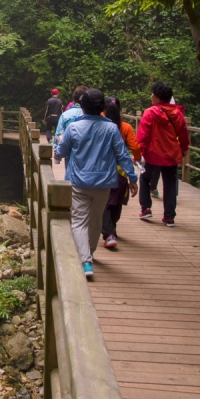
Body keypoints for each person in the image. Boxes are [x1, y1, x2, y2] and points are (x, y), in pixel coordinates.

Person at [57, 89, 138, 277]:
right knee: (96, 220)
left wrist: (59, 147)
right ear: (102, 108)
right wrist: (132, 178)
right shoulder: (111, 129)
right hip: (104, 183)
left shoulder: (74, 128)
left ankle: (85, 261)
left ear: (82, 108)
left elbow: (61, 151)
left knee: (78, 221)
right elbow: (123, 154)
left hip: (79, 182)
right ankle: (89, 254)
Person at [136, 81, 189, 227]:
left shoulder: (150, 112)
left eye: (153, 93)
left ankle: (146, 208)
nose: (151, 96)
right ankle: (169, 216)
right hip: (171, 154)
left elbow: (142, 135)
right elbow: (183, 134)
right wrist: (184, 149)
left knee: (145, 179)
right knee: (170, 184)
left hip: (152, 153)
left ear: (157, 97)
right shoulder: (177, 113)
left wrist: (139, 152)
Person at [101, 97, 142, 249]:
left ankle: (109, 232)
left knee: (104, 203)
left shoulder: (100, 125)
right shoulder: (125, 127)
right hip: (121, 172)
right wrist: (136, 160)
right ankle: (111, 231)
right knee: (116, 202)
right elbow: (135, 147)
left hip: (102, 170)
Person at [52, 85, 88, 161]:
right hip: (87, 153)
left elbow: (59, 133)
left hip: (70, 153)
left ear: (74, 99)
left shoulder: (65, 115)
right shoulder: (91, 115)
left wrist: (56, 151)